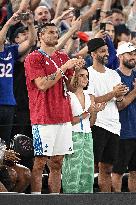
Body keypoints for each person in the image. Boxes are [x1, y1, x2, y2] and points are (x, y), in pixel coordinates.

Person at [24, 22, 85, 194]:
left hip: (63, 115)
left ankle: (55, 199)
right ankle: (36, 198)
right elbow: (42, 84)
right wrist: (64, 68)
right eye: (50, 32)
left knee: (58, 162)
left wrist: (76, 72)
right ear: (40, 36)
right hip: (43, 116)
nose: (55, 35)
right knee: (40, 162)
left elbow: (72, 88)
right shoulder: (34, 58)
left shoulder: (63, 57)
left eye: (57, 32)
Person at [87, 37, 129, 192]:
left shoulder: (114, 74)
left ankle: (106, 199)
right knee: (91, 165)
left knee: (107, 168)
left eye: (107, 51)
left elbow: (119, 102)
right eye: (102, 51)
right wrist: (113, 93)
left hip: (114, 126)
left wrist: (119, 96)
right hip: (97, 124)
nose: (106, 54)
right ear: (93, 53)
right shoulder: (88, 74)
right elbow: (91, 101)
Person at [62, 67, 106, 193]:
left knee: (87, 171)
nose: (85, 78)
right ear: (75, 76)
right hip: (72, 135)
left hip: (87, 135)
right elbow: (69, 121)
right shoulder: (68, 96)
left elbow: (91, 123)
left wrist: (95, 112)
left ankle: (86, 199)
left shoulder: (88, 96)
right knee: (72, 170)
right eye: (81, 75)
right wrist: (87, 113)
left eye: (87, 76)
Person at [0, 12, 36, 148]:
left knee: (5, 144)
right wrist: (9, 23)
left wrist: (31, 24)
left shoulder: (11, 51)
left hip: (9, 103)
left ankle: (3, 169)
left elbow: (31, 42)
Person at [112, 42, 136, 192]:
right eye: (129, 54)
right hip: (122, 133)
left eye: (134, 54)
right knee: (118, 172)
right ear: (120, 56)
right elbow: (120, 105)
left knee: (134, 172)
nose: (133, 57)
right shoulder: (114, 77)